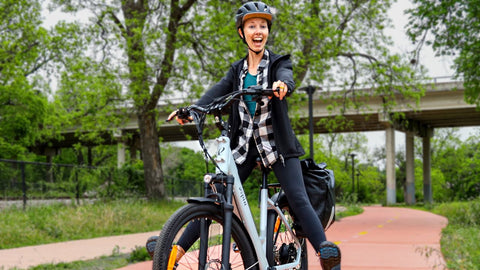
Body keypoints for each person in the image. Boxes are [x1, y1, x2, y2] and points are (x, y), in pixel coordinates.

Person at [147, 2, 341, 269]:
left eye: (262, 26)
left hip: (277, 147)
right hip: (245, 148)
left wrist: (282, 85)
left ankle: (325, 252)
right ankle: (172, 251)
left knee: (297, 196)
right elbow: (215, 93)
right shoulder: (237, 71)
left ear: (267, 31)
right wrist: (193, 110)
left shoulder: (277, 64)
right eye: (252, 26)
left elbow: (286, 75)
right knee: (217, 195)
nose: (258, 31)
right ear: (242, 32)